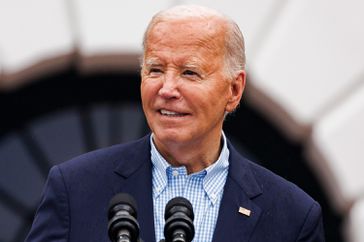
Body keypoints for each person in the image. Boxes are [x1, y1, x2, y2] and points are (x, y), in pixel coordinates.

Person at [25, 4, 325, 242]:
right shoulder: (75, 189)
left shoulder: (292, 216)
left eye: (189, 73)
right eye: (155, 70)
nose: (167, 89)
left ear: (233, 91)